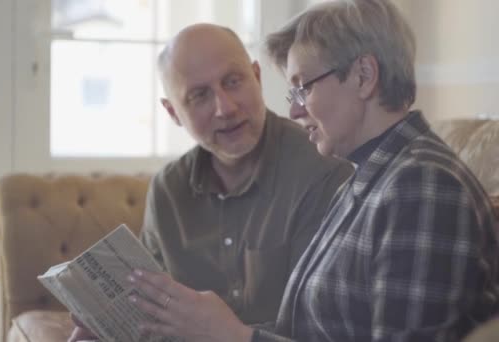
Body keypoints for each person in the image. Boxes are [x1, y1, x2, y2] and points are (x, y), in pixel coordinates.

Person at [126, 1, 499, 341]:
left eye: (302, 88)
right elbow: (303, 330)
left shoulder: (422, 187)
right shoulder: (367, 180)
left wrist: (235, 337)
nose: (294, 111)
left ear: (363, 76)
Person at [68, 23, 353, 341]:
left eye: (233, 82)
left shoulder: (324, 169)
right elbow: (151, 316)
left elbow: (327, 327)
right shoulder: (167, 192)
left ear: (256, 77)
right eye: (199, 95)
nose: (225, 108)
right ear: (173, 112)